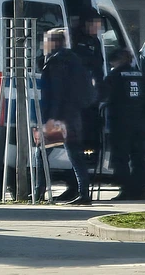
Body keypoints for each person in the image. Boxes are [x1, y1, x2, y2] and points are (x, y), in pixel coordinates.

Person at [39, 28, 95, 205]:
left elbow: (56, 93)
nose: (44, 44)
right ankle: (83, 193)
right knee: (75, 154)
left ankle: (38, 192)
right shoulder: (75, 60)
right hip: (73, 115)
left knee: (41, 153)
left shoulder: (57, 62)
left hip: (59, 117)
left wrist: (51, 118)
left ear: (55, 42)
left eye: (46, 40)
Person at [100, 48, 145, 201]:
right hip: (140, 122)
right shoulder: (141, 75)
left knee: (120, 158)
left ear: (116, 61)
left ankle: (126, 190)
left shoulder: (114, 76)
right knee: (139, 157)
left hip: (120, 123)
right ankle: (140, 190)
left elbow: (103, 97)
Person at [72, 10, 105, 87]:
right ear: (86, 24)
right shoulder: (74, 38)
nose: (97, 29)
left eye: (98, 26)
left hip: (94, 82)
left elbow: (99, 61)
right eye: (95, 25)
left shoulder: (95, 41)